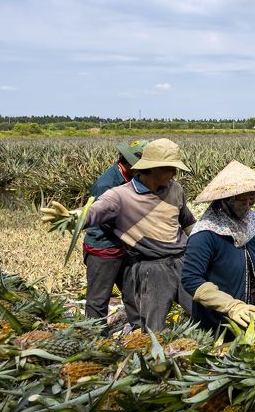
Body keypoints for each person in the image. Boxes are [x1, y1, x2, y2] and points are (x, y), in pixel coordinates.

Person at [41, 139, 196, 332]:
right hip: (135, 260)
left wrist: (201, 247)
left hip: (181, 261)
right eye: (169, 168)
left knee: (201, 311)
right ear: (151, 168)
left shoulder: (176, 189)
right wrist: (73, 217)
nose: (174, 174)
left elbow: (188, 222)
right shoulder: (119, 195)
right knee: (147, 323)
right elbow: (94, 211)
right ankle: (97, 337)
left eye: (175, 169)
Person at [181, 161, 255, 332]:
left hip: (253, 310)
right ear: (226, 199)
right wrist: (231, 306)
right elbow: (191, 279)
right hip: (219, 320)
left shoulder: (252, 221)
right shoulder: (206, 234)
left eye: (253, 198)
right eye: (244, 199)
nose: (250, 204)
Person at [81, 140, 147, 330]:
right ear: (129, 163)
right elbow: (106, 221)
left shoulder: (133, 179)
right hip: (104, 248)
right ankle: (95, 337)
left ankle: (141, 331)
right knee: (98, 298)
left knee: (132, 292)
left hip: (124, 245)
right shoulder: (106, 185)